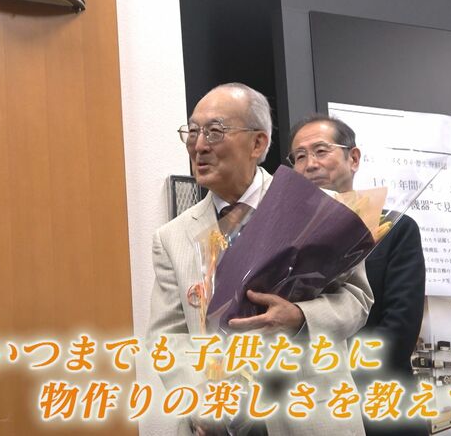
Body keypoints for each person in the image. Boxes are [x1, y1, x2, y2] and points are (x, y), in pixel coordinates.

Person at [146, 83, 373, 435]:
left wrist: (300, 317)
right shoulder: (172, 237)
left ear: (258, 143)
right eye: (192, 132)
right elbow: (168, 335)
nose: (199, 145)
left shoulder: (317, 208)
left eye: (215, 131)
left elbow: (357, 300)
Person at [289, 114, 426, 435]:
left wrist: (334, 374)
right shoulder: (287, 238)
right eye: (299, 156)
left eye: (321, 151)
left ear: (353, 158)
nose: (310, 164)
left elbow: (399, 329)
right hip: (311, 410)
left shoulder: (394, 229)